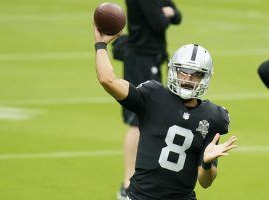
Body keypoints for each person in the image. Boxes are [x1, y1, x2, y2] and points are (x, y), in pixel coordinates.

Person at [94, 26, 238, 200]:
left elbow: (205, 182)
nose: (187, 79)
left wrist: (207, 163)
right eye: (182, 72)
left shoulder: (213, 117)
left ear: (205, 78)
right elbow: (107, 80)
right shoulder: (152, 95)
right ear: (173, 70)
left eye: (196, 75)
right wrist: (101, 45)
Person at [117, 1, 182, 198]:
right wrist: (166, 13)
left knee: (147, 119)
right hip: (140, 60)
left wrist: (168, 12)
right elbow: (159, 23)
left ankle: (137, 180)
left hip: (153, 58)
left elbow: (177, 16)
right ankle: (128, 184)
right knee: (136, 122)